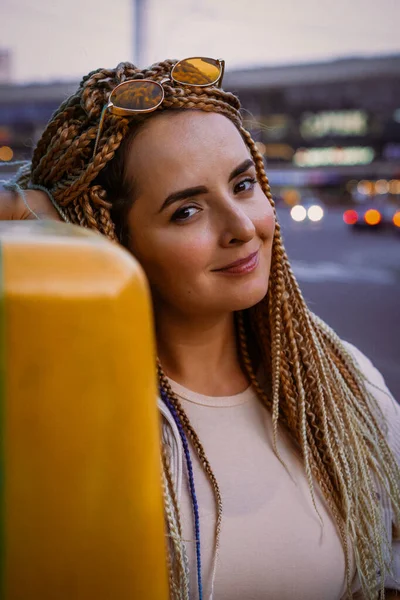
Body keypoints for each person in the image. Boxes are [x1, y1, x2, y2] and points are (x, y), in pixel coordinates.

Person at [1, 57, 399, 600]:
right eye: (186, 211)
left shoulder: (345, 382)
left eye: (243, 184)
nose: (242, 228)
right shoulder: (63, 420)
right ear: (112, 238)